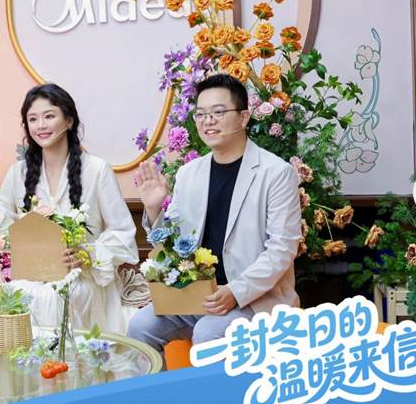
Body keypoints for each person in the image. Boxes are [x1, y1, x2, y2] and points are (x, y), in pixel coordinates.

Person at [127, 73, 302, 364]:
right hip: (198, 294)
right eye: (201, 114)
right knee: (139, 326)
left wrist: (235, 291)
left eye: (218, 112)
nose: (208, 121)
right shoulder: (189, 173)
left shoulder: (276, 173)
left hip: (256, 299)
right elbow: (174, 243)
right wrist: (155, 208)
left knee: (209, 332)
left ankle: (213, 396)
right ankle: (158, 393)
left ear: (244, 117)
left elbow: (282, 250)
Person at [0, 84, 139, 334]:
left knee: (58, 297)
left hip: (84, 279)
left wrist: (87, 254)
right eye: (33, 119)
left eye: (49, 116)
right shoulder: (19, 172)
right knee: (20, 295)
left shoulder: (97, 170)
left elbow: (122, 232)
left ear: (69, 120)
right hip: (32, 278)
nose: (41, 126)